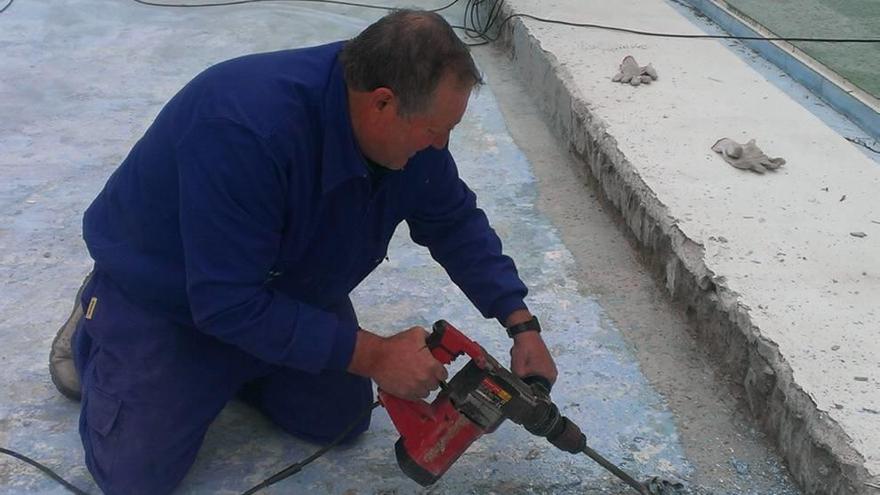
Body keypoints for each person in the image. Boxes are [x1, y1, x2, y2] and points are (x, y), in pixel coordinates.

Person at [48, 9, 557, 494]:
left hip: (285, 284)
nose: (442, 145)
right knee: (136, 476)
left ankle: (234, 365)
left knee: (339, 417)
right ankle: (100, 319)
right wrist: (376, 354)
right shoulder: (244, 129)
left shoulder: (407, 130)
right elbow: (225, 303)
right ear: (382, 103)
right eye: (433, 131)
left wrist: (519, 321)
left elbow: (453, 220)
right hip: (171, 297)